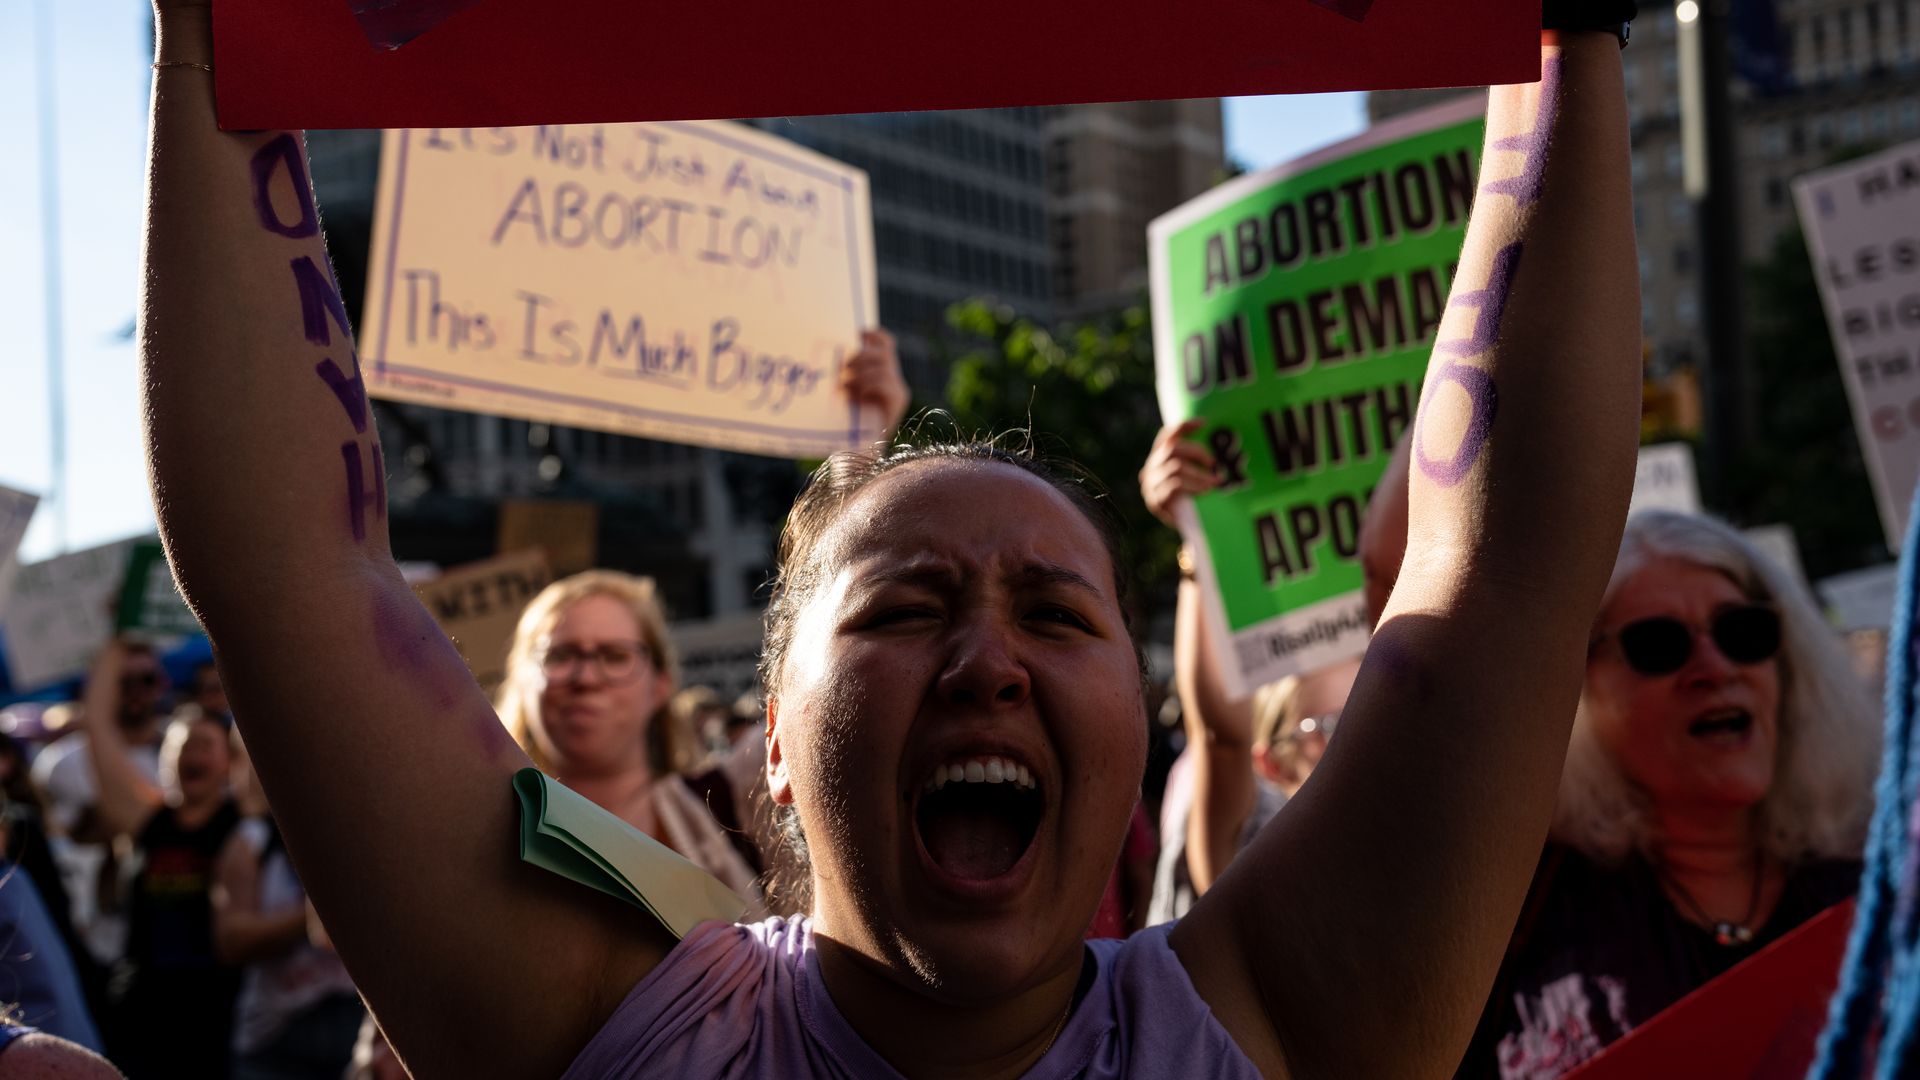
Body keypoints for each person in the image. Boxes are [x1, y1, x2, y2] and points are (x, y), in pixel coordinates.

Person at [140, 1, 1642, 1075]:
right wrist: (209, 31)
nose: (989, 657)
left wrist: (1575, 42)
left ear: (1145, 714)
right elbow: (300, 582)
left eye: (1060, 615)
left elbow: (1499, 586)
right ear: (771, 741)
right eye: (905, 609)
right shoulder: (607, 1031)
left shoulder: (1275, 1024)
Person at [1456, 510, 1879, 1078]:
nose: (1714, 667)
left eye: (1743, 632)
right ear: (1575, 693)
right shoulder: (1509, 911)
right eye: (1658, 645)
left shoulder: (1883, 871)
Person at [1136, 421, 1363, 916]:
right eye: (1330, 726)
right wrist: (1199, 536)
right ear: (1272, 763)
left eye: (1371, 709)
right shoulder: (1254, 857)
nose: (1362, 738)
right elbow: (1220, 735)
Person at [496, 571, 772, 909]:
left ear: (660, 685)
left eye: (615, 656)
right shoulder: (480, 831)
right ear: (522, 678)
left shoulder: (730, 802)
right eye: (561, 655)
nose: (586, 678)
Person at [78, 643, 243, 1079]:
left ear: (228, 762)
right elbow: (98, 728)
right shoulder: (151, 822)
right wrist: (113, 648)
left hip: (215, 1008)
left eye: (206, 745)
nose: (193, 755)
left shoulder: (241, 825)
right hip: (145, 1005)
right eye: (183, 746)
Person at [212, 809, 362, 1080]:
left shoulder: (362, 834)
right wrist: (310, 914)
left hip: (354, 1023)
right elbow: (231, 942)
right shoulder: (254, 840)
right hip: (275, 1034)